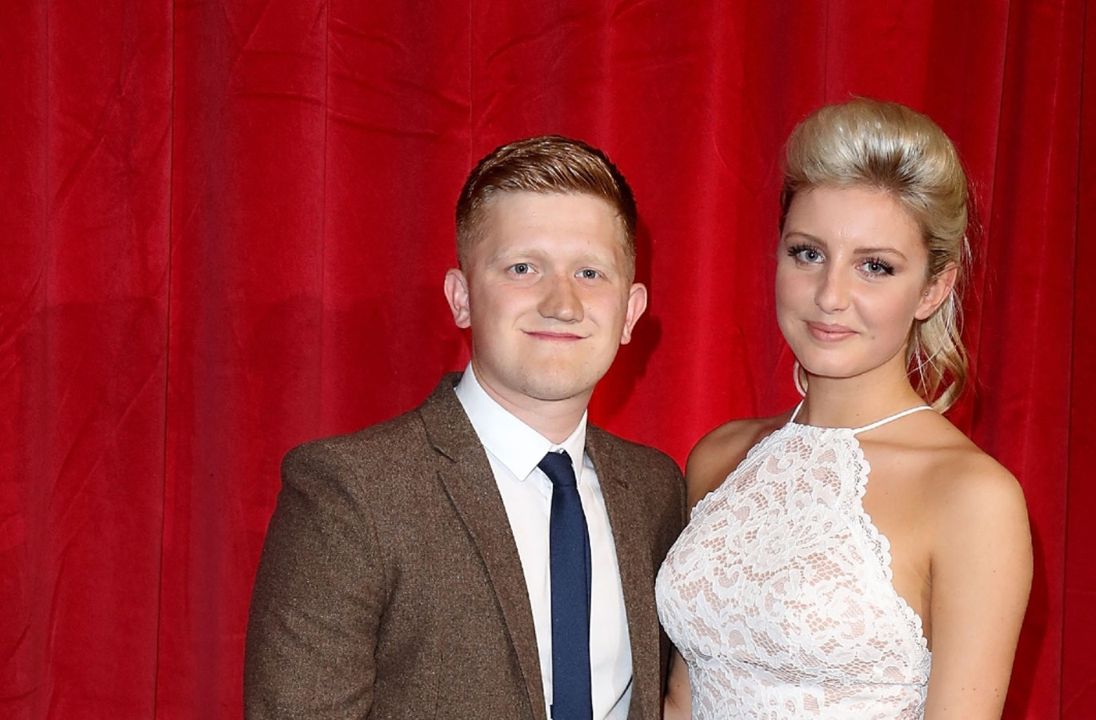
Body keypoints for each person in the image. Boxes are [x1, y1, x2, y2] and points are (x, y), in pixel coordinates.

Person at [245, 135, 686, 720]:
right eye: (523, 268)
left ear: (630, 313)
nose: (562, 302)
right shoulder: (351, 492)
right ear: (461, 298)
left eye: (589, 272)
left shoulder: (657, 490)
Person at [654, 98, 1032, 718]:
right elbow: (680, 698)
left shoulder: (971, 495)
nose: (831, 295)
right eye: (807, 253)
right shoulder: (720, 456)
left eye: (875, 267)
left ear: (933, 288)